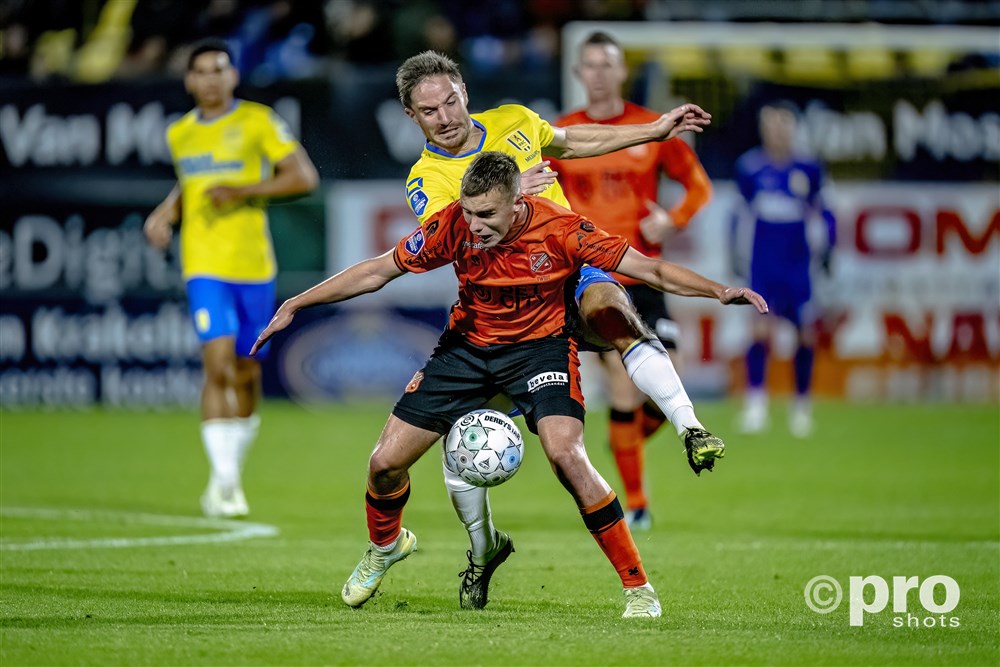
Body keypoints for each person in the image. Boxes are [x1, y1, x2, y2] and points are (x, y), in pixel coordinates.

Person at [250, 152, 767, 617]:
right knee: (384, 465)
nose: (473, 226)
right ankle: (386, 547)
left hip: (539, 351)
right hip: (467, 350)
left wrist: (718, 291)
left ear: (518, 202)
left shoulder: (563, 230)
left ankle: (638, 588)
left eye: (487, 215)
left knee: (568, 456)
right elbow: (377, 271)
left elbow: (648, 268)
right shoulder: (453, 224)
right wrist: (296, 303)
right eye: (469, 213)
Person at [395, 49, 724, 603]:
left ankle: (690, 427)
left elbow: (576, 142)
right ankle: (482, 548)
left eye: (451, 100)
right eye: (431, 110)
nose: (446, 115)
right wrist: (512, 188)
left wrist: (656, 130)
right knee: (466, 443)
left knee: (614, 316)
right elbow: (460, 230)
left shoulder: (515, 121)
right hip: (508, 312)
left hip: (570, 270)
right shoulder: (426, 179)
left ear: (465, 93)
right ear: (413, 116)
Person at [143, 39, 319, 517]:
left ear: (233, 75)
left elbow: (302, 177)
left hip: (253, 266)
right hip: (203, 264)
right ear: (189, 80)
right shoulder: (181, 133)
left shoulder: (258, 121)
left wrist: (243, 190)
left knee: (245, 370)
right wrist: (165, 214)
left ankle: (228, 477)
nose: (210, 79)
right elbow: (190, 182)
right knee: (217, 363)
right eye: (200, 71)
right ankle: (224, 483)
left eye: (219, 69)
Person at [551, 31, 714, 530]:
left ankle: (623, 440)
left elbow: (698, 186)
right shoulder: (560, 133)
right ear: (579, 75)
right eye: (590, 65)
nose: (598, 73)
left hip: (643, 270)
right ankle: (638, 504)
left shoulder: (650, 127)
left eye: (607, 65)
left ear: (622, 72)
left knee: (670, 382)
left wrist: (673, 219)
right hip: (591, 275)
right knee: (624, 386)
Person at [731, 101, 836, 438]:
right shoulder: (750, 167)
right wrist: (736, 255)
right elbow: (738, 215)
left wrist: (828, 250)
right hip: (764, 265)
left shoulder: (809, 168)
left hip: (798, 266)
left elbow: (826, 212)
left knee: (805, 334)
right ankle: (756, 404)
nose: (776, 130)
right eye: (771, 124)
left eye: (782, 124)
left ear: (793, 127)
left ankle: (801, 407)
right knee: (761, 331)